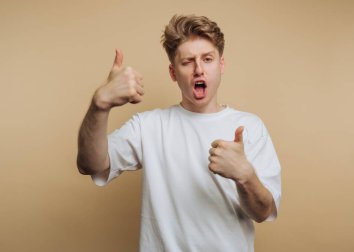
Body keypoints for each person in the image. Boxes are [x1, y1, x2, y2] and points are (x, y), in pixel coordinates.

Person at [77, 14, 281, 252]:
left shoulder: (250, 127)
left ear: (221, 64)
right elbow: (90, 165)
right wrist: (99, 105)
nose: (199, 70)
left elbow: (263, 211)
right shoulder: (149, 125)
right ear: (173, 73)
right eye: (187, 62)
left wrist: (245, 175)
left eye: (207, 59)